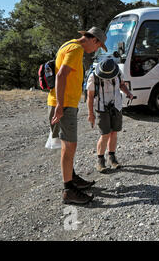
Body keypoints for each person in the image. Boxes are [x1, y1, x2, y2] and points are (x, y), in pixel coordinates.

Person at [49, 27, 107, 205]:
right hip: (64, 104)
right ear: (94, 40)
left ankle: (71, 178)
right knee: (70, 145)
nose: (95, 50)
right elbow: (61, 75)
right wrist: (60, 105)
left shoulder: (67, 45)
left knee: (67, 145)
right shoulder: (76, 50)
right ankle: (68, 190)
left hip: (62, 103)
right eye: (98, 47)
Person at [86, 58, 134, 173]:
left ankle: (112, 158)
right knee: (105, 134)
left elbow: (122, 84)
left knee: (114, 133)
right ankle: (100, 161)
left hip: (116, 106)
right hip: (101, 108)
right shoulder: (94, 77)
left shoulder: (117, 73)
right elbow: (90, 96)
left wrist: (128, 92)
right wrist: (90, 114)